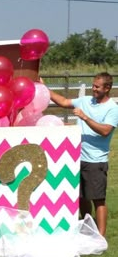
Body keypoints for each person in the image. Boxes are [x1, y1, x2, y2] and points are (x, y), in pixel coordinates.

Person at [49, 72, 118, 237]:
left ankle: (101, 237)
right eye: (93, 85)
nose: (93, 89)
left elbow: (105, 131)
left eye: (96, 86)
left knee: (98, 199)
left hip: (95, 161)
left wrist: (85, 117)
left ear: (107, 88)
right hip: (76, 157)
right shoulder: (86, 100)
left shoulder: (112, 109)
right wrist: (45, 89)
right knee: (81, 197)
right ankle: (87, 228)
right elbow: (64, 102)